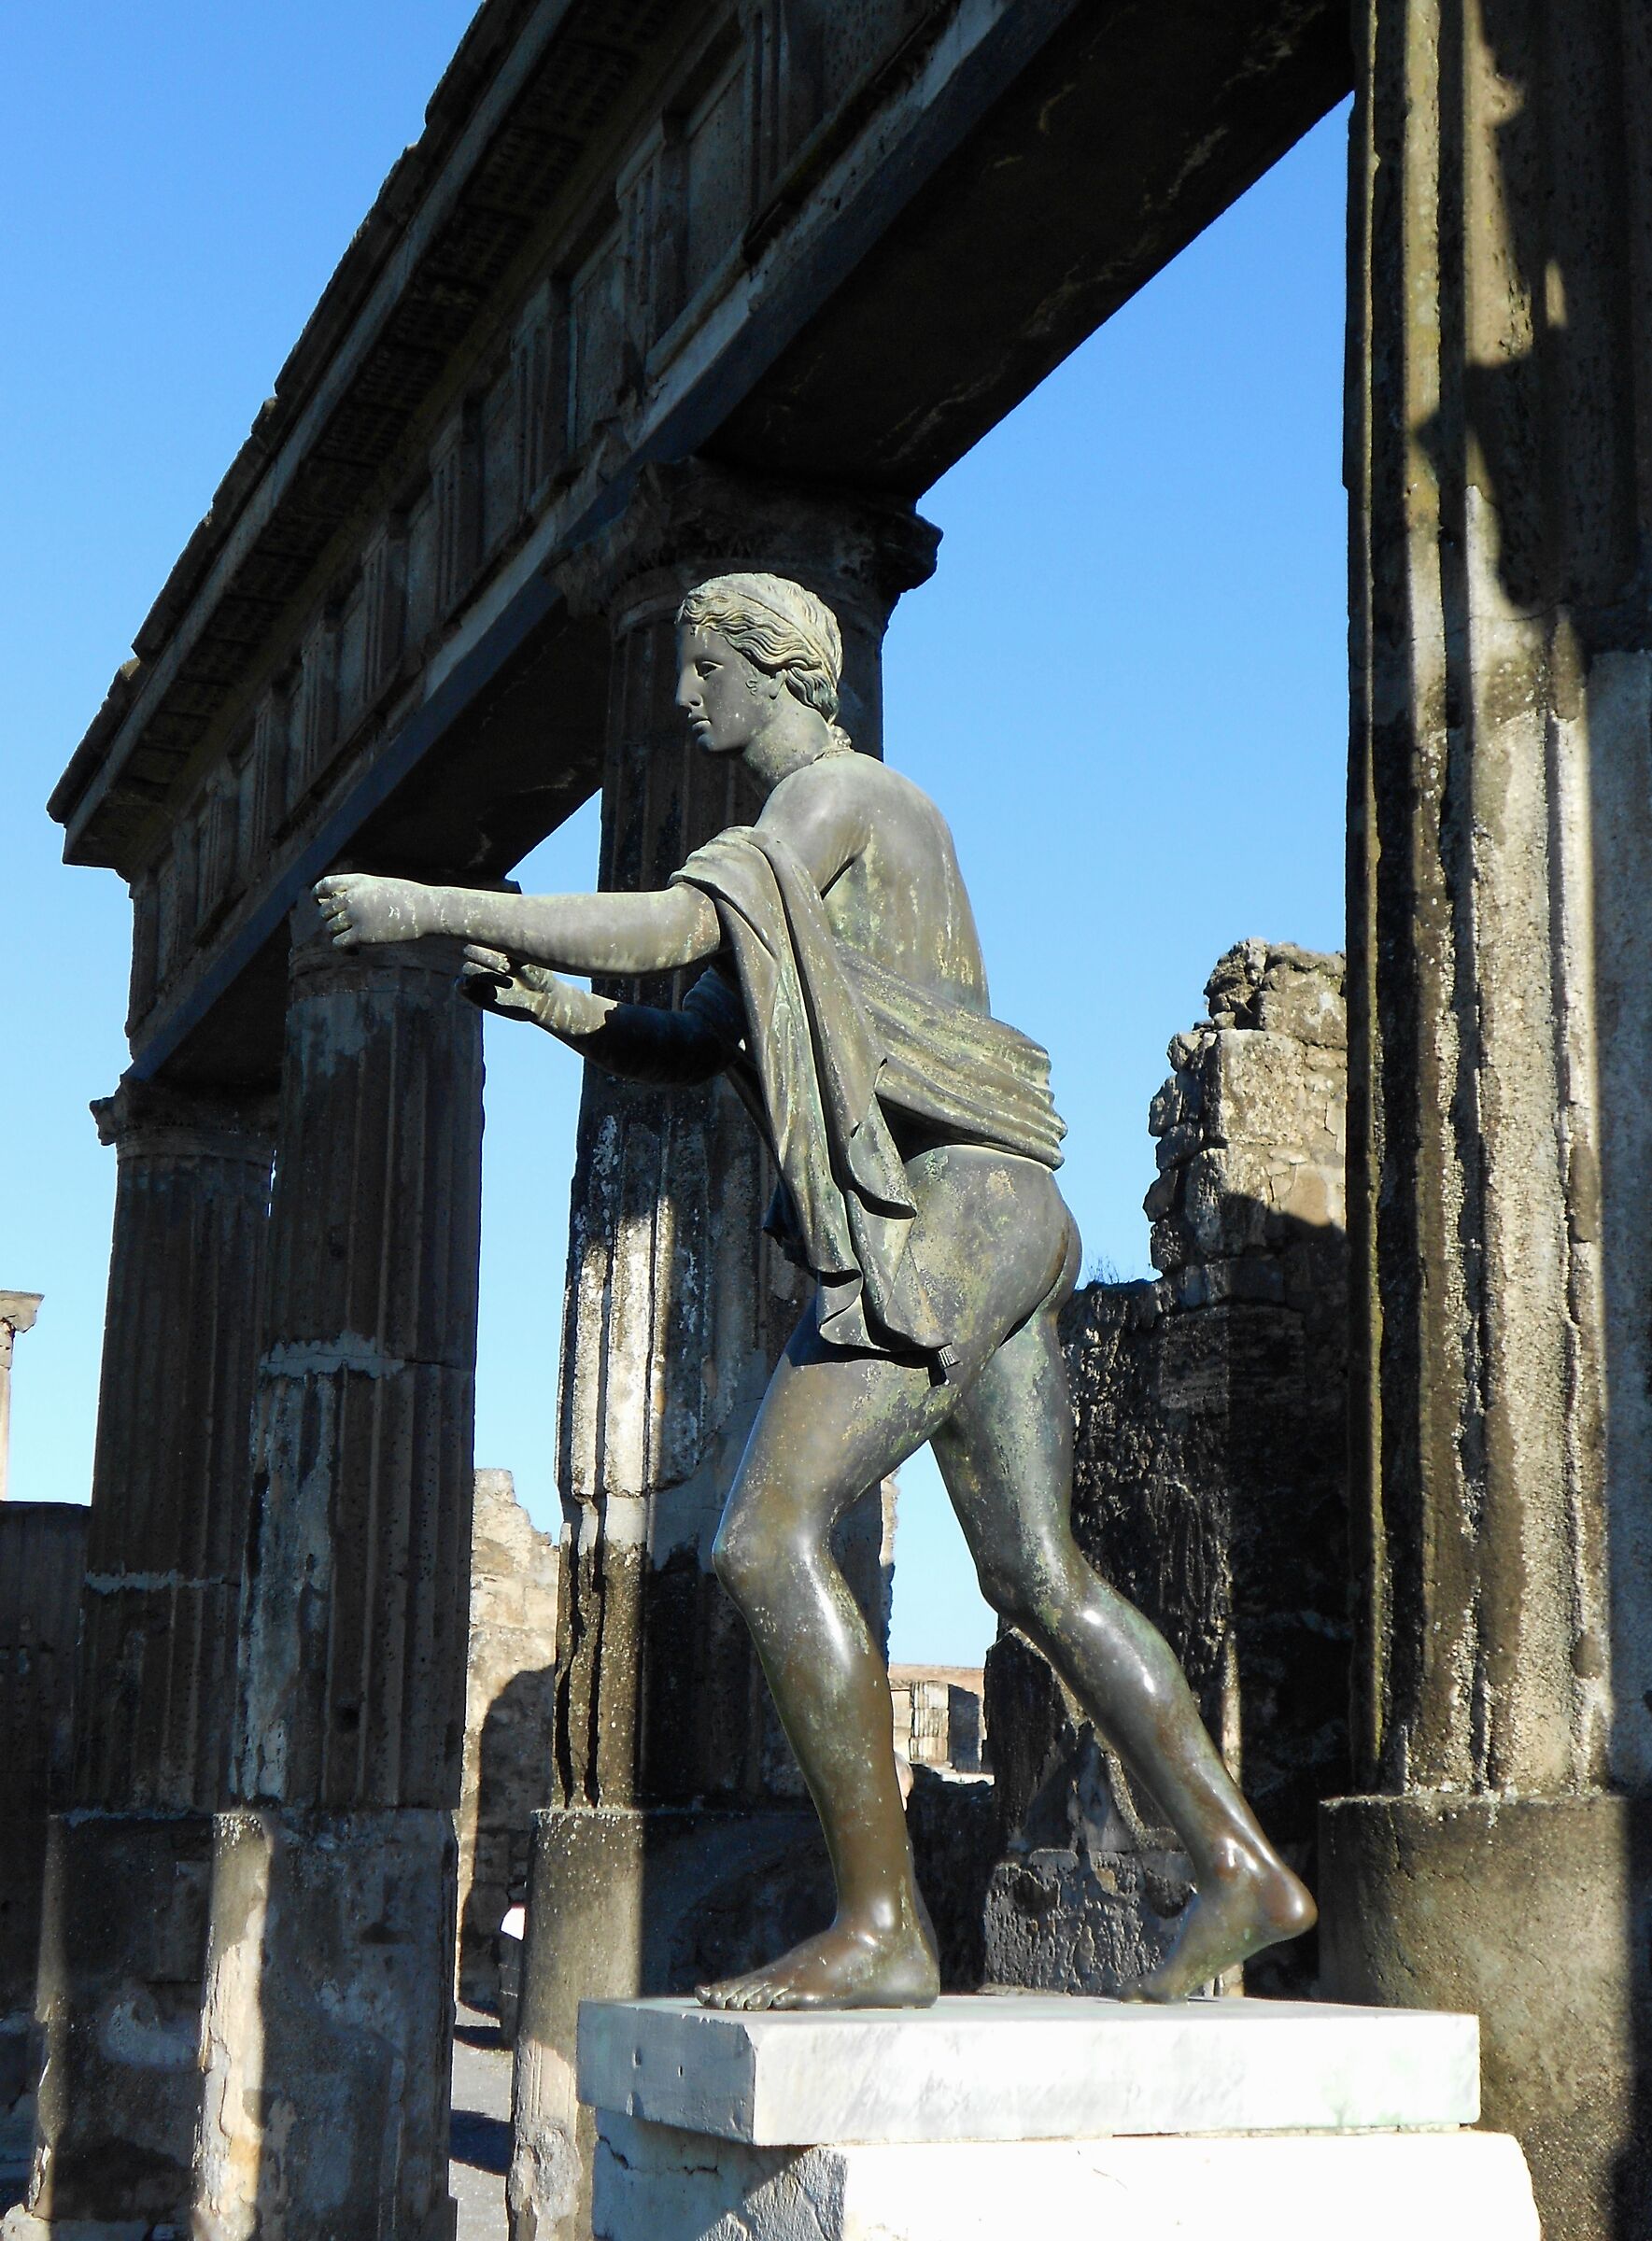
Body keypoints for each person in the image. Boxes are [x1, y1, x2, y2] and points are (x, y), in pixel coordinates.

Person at [314, 571, 1314, 2010]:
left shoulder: (838, 802)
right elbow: (697, 1029)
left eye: (700, 662)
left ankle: (881, 1927)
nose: (679, 697)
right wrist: (552, 1006)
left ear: (775, 668)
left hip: (945, 1210)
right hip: (1005, 1209)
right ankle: (1242, 1869)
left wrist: (426, 904)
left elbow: (674, 930)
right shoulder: (825, 854)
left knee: (761, 1539)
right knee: (1036, 1575)